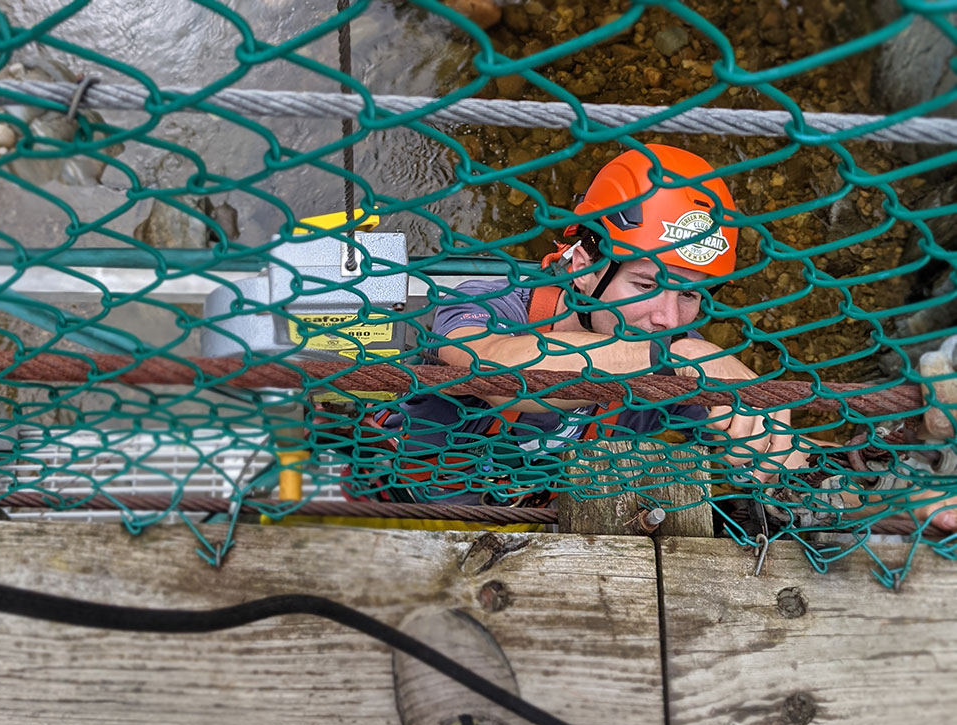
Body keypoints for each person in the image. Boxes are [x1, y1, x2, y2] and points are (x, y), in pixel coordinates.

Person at [339, 143, 957, 533]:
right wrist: (685, 358)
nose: (668, 315)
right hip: (396, 492)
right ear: (585, 265)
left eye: (688, 293)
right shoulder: (492, 301)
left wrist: (881, 498)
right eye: (648, 282)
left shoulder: (675, 374)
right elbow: (497, 376)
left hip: (531, 516)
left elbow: (783, 470)